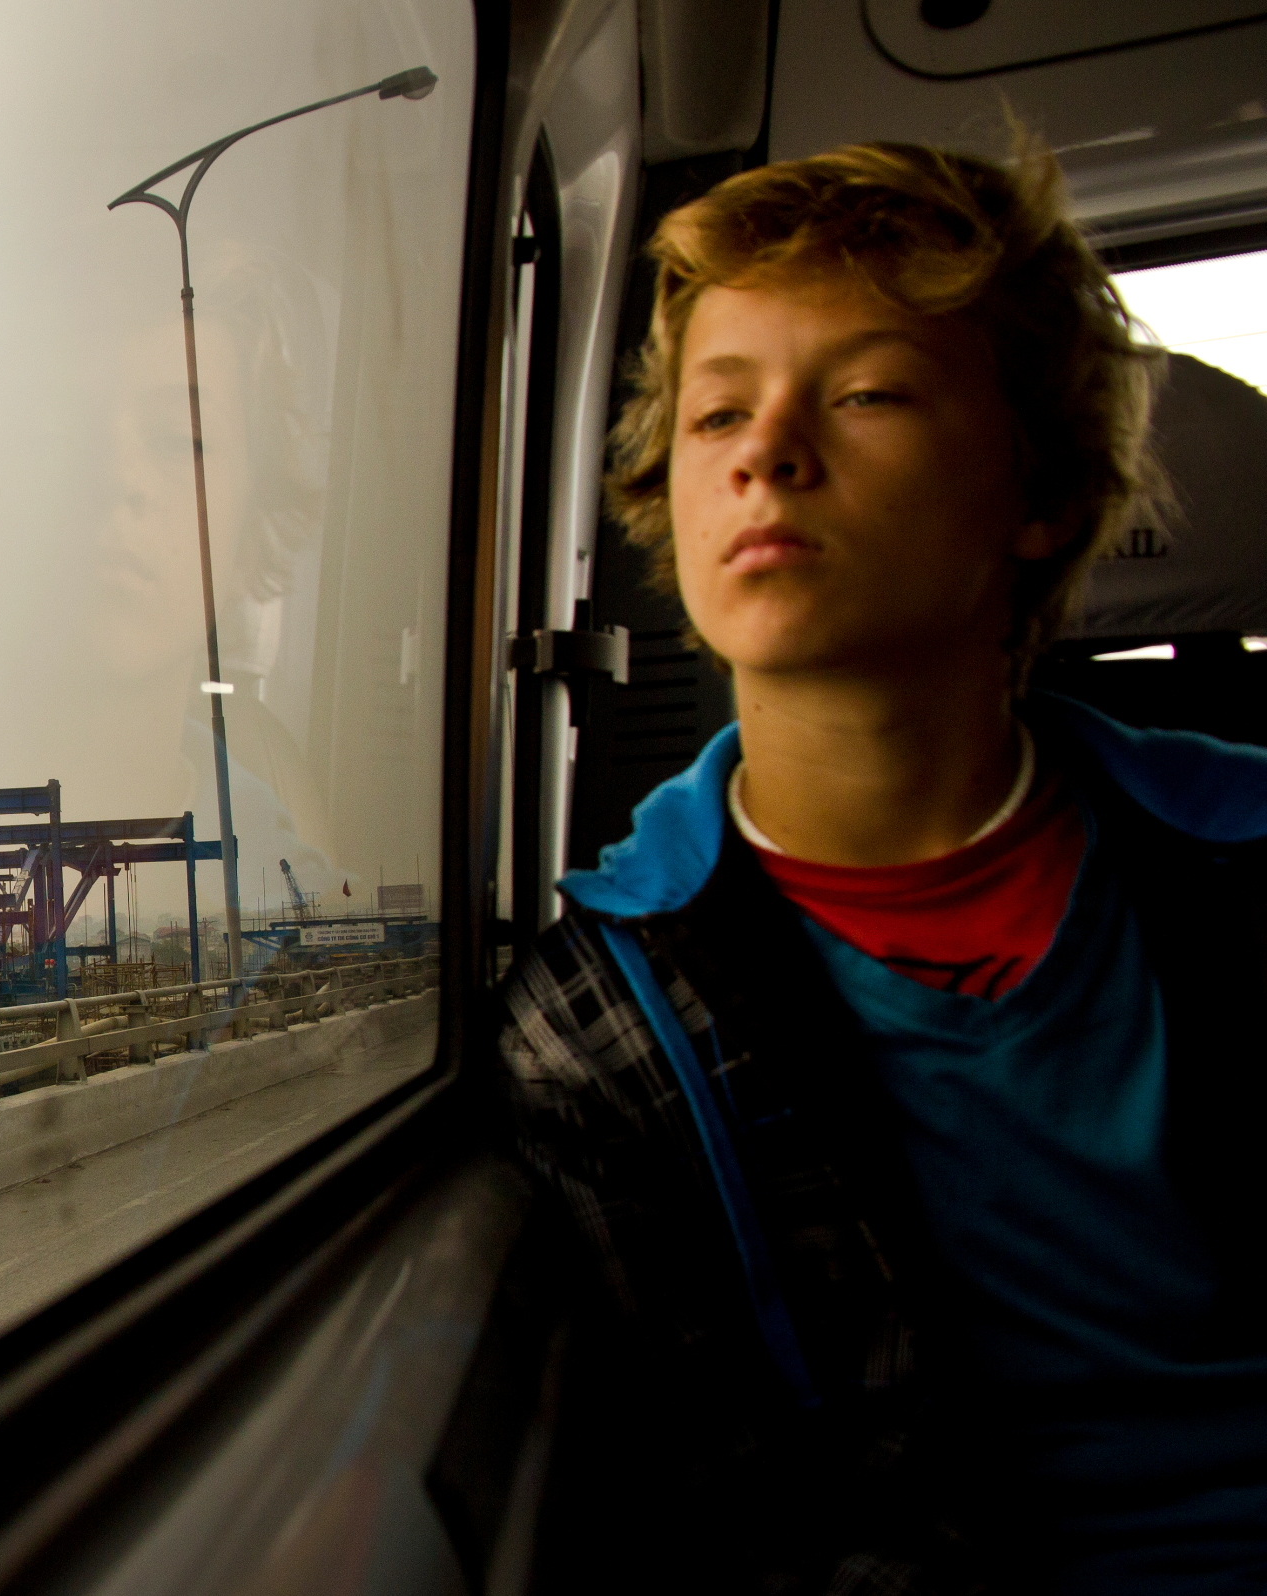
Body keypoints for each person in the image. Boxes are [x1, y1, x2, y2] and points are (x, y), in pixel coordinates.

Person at [498, 138, 1267, 1593]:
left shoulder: (1244, 859)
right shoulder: (602, 1020)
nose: (766, 453)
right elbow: (735, 1512)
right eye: (719, 410)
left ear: (1038, 492)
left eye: (867, 395)